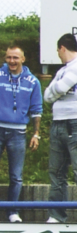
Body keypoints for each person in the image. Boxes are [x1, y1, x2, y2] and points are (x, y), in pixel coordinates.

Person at [44, 33, 77, 224]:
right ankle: (56, 214)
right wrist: (58, 89)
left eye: (58, 51)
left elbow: (58, 89)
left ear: (62, 48)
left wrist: (58, 90)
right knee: (56, 172)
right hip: (58, 123)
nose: (58, 55)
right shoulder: (62, 70)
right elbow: (47, 96)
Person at [0, 45, 42, 223]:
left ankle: (12, 211)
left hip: (18, 133)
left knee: (16, 176)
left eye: (15, 58)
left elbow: (36, 109)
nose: (12, 61)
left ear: (23, 59)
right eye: (9, 57)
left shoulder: (32, 81)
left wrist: (36, 133)